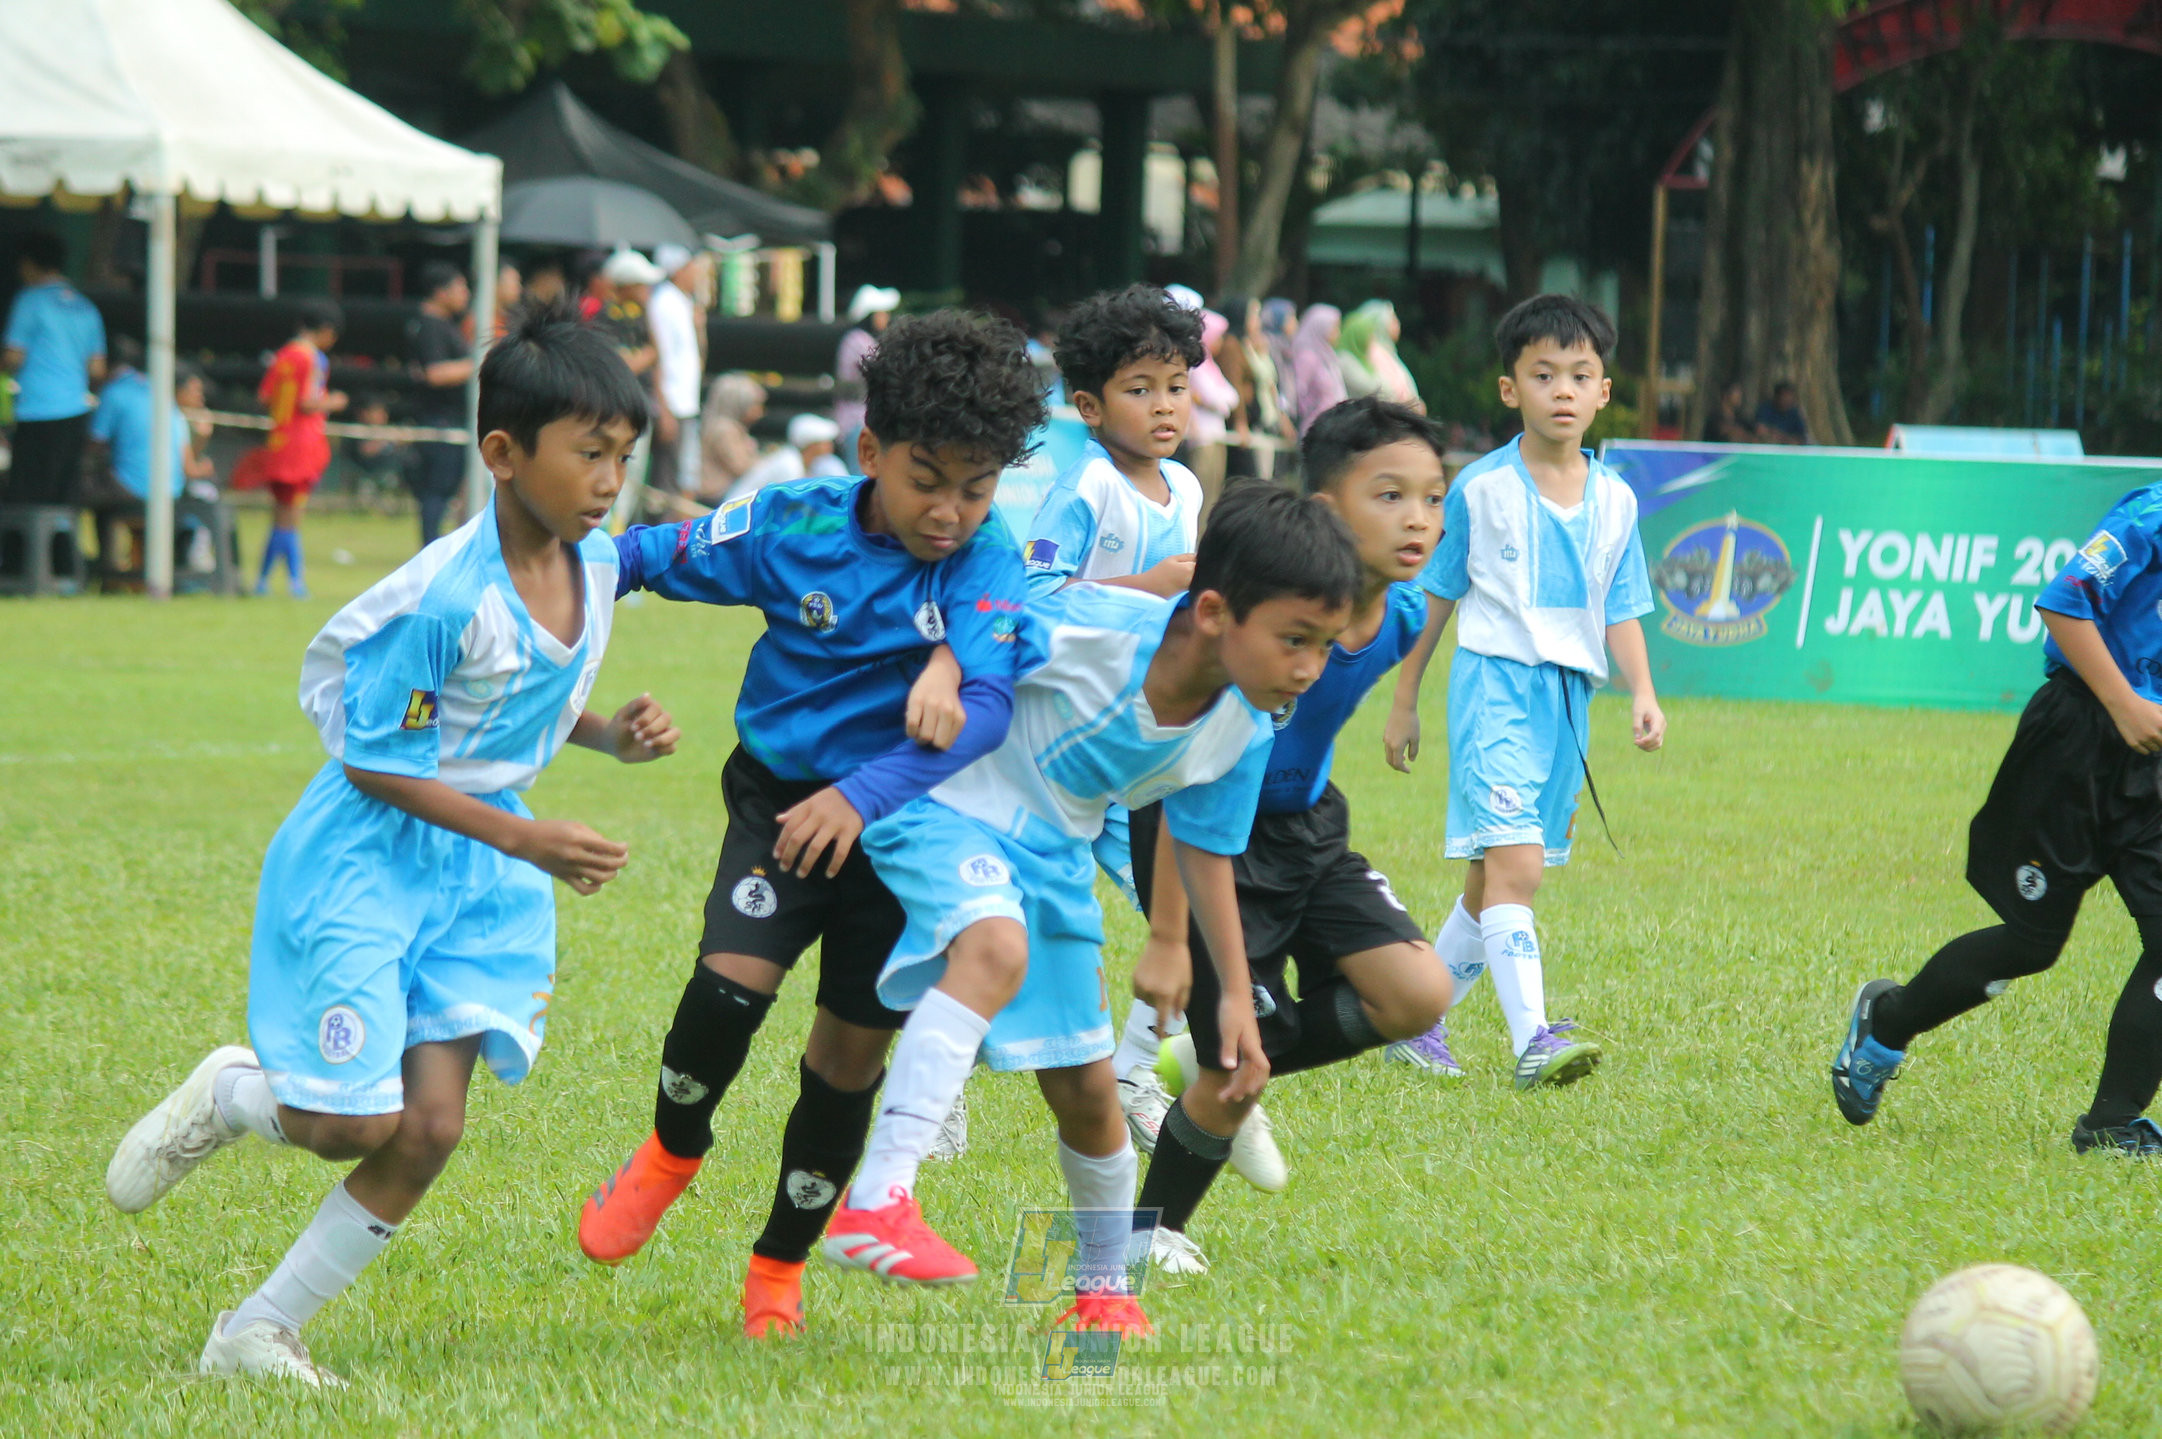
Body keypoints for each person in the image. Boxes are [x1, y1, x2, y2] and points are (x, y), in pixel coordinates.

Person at [102, 306, 677, 1387]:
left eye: (623, 457)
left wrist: (608, 735)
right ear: (502, 454)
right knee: (347, 1120)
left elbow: (508, 708)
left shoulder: (594, 568)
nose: (610, 480)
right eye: (588, 453)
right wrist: (528, 833)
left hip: (483, 875)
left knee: (430, 1125)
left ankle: (255, 1331)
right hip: (372, 853)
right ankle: (235, 1091)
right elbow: (377, 758)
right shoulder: (447, 599)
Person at [573, 311, 1046, 1341]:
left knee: (844, 1065)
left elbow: (992, 706)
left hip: (898, 831)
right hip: (779, 805)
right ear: (869, 450)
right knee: (724, 992)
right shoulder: (791, 525)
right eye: (928, 479)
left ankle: (777, 1269)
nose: (951, 511)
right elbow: (645, 555)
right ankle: (669, 1150)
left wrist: (867, 788)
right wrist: (531, 566)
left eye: (978, 485)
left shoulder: (986, 556)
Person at [818, 485, 1362, 1332]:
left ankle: (1103, 1295)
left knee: (1088, 1093)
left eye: (1325, 647)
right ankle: (879, 1198)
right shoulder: (1095, 626)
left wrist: (1189, 956)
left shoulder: (1244, 729)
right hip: (946, 801)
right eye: (1296, 639)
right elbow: (989, 618)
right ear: (1214, 611)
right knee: (993, 949)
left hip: (1054, 858)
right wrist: (944, 665)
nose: (1308, 668)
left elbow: (1202, 838)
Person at [1132, 397, 1454, 1275]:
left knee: (1418, 993)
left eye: (1432, 497)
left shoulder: (1401, 614)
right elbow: (1176, 603)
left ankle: (1217, 1056)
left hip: (1309, 827)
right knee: (1241, 1068)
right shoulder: (1255, 612)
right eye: (1389, 495)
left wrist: (1405, 700)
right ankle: (1148, 1232)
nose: (1418, 518)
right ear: (1323, 509)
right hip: (1201, 832)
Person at [1015, 284, 1279, 1188]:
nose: (1165, 406)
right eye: (1141, 388)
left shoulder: (1186, 485)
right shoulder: (1084, 484)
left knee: (1186, 915)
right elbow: (1029, 599)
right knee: (1000, 928)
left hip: (1139, 746)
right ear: (1089, 407)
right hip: (1053, 746)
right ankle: (937, 1099)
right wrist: (1148, 585)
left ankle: (1138, 1072)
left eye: (1176, 386)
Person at [1383, 294, 1666, 1088]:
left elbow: (1623, 603)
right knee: (1518, 866)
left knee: (1490, 877)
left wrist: (1642, 689)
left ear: (1604, 392)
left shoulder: (1617, 498)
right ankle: (1531, 1039)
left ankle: (1412, 1020)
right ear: (1511, 389)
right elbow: (1436, 598)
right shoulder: (1478, 488)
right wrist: (1405, 699)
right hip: (1494, 690)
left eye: (1580, 375)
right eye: (1543, 374)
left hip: (1569, 706)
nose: (1563, 390)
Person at [1832, 485, 2162, 1155]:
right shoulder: (2149, 517)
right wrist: (2125, 703)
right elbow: (2062, 604)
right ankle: (1886, 1024)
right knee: (2034, 941)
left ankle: (2112, 1121)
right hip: (2077, 740)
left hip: (2151, 763)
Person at [235, 300, 347, 597]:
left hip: (278, 439)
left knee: (280, 514)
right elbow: (309, 401)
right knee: (291, 516)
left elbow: (265, 396)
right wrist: (334, 402)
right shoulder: (313, 358)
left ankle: (262, 581)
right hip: (302, 443)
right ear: (326, 331)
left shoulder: (283, 355)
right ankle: (296, 583)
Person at [87, 343, 213, 578]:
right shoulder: (169, 400)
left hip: (132, 490)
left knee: (87, 496)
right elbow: (188, 467)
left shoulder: (115, 391)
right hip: (170, 492)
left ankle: (102, 570)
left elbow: (95, 441)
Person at [3, 231, 106, 505]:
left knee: (26, 495)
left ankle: (22, 549)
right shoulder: (86, 308)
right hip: (75, 412)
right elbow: (96, 369)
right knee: (63, 495)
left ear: (28, 264)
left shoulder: (30, 301)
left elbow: (14, 357)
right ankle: (61, 548)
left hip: (37, 410)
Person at [404, 262, 474, 547]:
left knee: (448, 490)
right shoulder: (431, 327)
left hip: (450, 419)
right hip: (440, 420)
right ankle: (430, 548)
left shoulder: (444, 326)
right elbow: (435, 373)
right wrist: (479, 364)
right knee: (437, 490)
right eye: (460, 287)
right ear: (440, 292)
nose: (465, 294)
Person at [647, 244, 708, 501]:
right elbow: (658, 358)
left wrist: (699, 328)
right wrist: (664, 409)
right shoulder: (663, 303)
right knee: (667, 484)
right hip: (673, 404)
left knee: (685, 480)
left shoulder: (684, 303)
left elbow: (697, 359)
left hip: (687, 404)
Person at [834, 283, 899, 453]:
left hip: (861, 420)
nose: (886, 317)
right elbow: (884, 368)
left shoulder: (859, 339)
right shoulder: (858, 340)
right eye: (881, 313)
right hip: (855, 421)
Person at [726, 413, 844, 501]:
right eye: (825, 442)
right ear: (812, 445)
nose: (830, 445)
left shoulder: (793, 459)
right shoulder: (789, 466)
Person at [699, 372, 766, 500]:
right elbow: (742, 467)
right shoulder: (724, 430)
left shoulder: (732, 428)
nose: (760, 412)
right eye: (755, 405)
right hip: (717, 497)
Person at [1291, 304, 1348, 436]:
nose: (1337, 332)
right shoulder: (1307, 357)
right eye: (1334, 327)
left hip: (1333, 427)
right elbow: (1298, 393)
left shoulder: (1328, 356)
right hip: (1316, 429)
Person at [1755, 380, 1807, 444]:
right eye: (1784, 396)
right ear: (1777, 396)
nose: (1787, 399)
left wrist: (1782, 437)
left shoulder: (1794, 413)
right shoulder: (1766, 409)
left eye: (1789, 396)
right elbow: (1760, 430)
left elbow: (1801, 438)